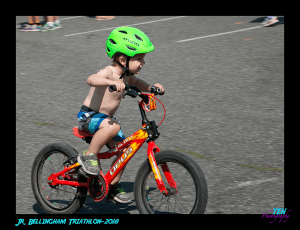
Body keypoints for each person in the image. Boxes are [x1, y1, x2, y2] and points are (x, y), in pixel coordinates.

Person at [76, 26, 164, 203]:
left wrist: (152, 89)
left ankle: (112, 187)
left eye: (143, 59)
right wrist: (110, 82)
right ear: (123, 59)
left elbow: (138, 83)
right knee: (115, 125)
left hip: (105, 123)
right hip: (89, 117)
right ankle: (89, 156)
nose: (142, 63)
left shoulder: (128, 77)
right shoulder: (110, 72)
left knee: (124, 150)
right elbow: (91, 79)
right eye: (139, 58)